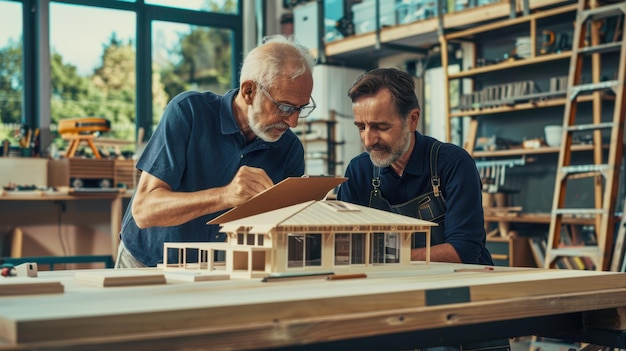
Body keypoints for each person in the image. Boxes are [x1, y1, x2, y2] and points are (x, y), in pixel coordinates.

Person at [115, 35, 317, 268]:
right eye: (284, 107)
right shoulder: (188, 112)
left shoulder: (289, 148)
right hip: (146, 261)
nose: (293, 122)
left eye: (301, 109)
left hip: (216, 268)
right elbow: (144, 211)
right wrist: (226, 196)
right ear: (249, 91)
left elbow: (281, 230)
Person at [337, 67, 493, 265]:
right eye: (361, 127)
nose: (368, 141)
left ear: (412, 120)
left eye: (381, 127)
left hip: (460, 284)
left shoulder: (453, 164)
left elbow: (464, 252)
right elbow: (346, 247)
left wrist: (383, 257)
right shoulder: (359, 172)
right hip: (393, 287)